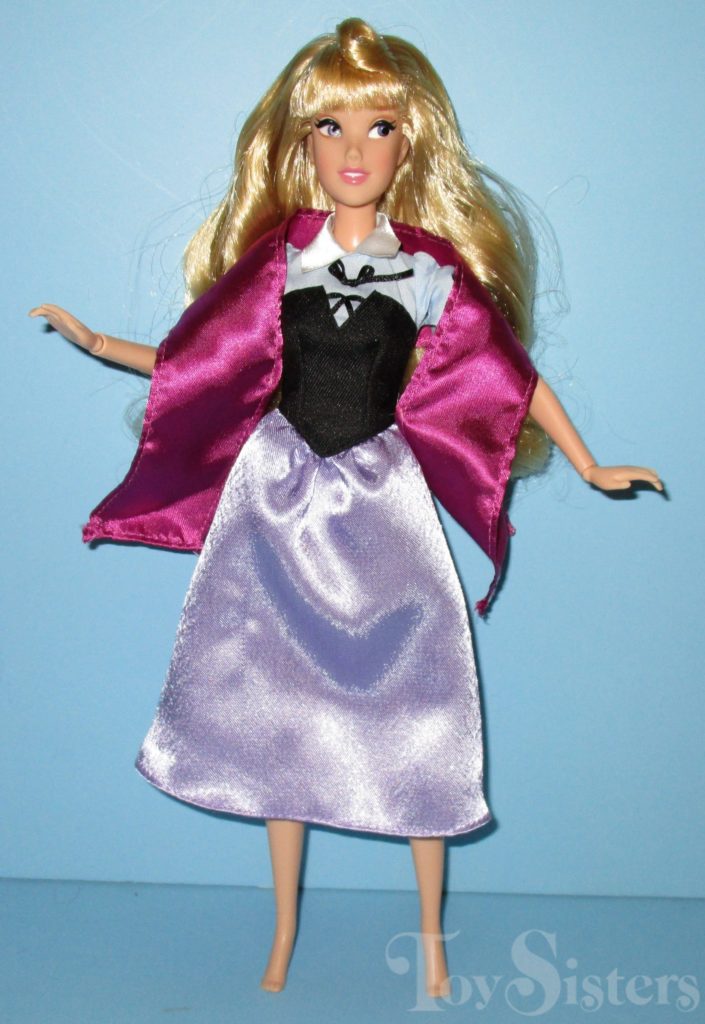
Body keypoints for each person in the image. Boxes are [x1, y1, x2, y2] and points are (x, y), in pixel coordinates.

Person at [29, 17, 662, 1000]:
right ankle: (283, 931)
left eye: (379, 128)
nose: (354, 149)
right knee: (277, 710)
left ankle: (432, 939)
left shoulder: (427, 271)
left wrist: (587, 462)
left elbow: (509, 374)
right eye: (332, 127)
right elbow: (200, 360)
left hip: (379, 502)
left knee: (418, 706)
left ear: (410, 147)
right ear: (302, 144)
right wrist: (98, 342)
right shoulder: (279, 260)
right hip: (276, 502)